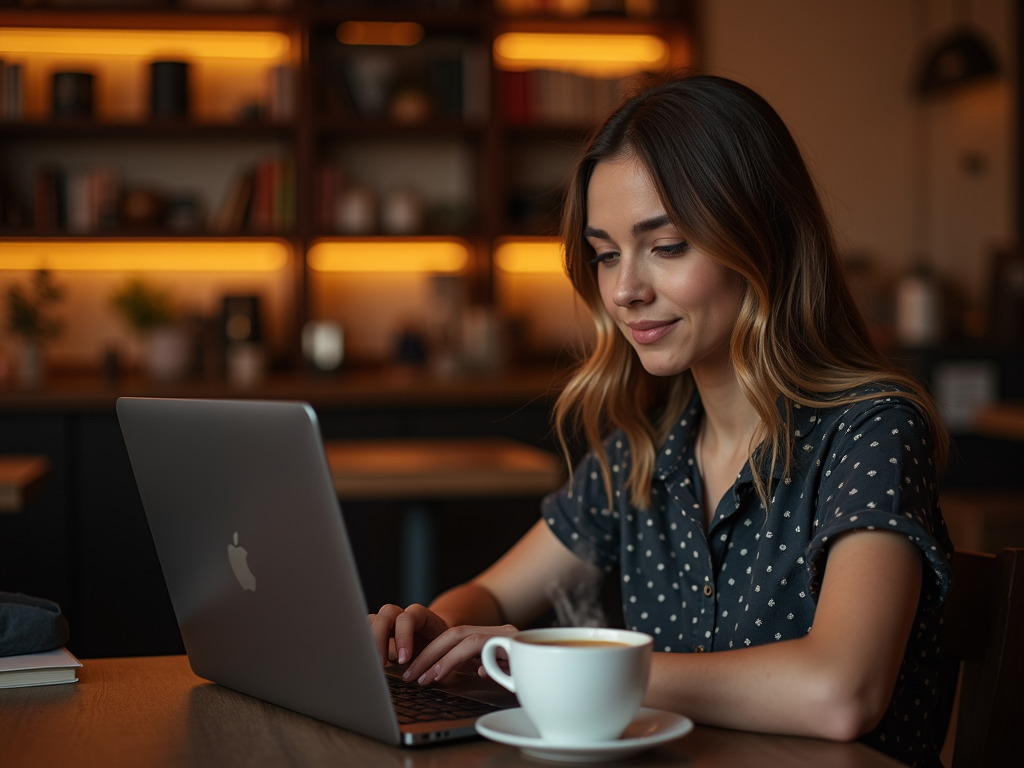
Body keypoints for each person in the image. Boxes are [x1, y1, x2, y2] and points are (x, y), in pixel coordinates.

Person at [370, 74, 955, 768]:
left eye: (667, 245)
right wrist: (437, 628)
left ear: (763, 238)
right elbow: (494, 591)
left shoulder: (871, 432)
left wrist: (569, 668)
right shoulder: (646, 453)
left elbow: (841, 691)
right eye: (606, 253)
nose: (624, 290)